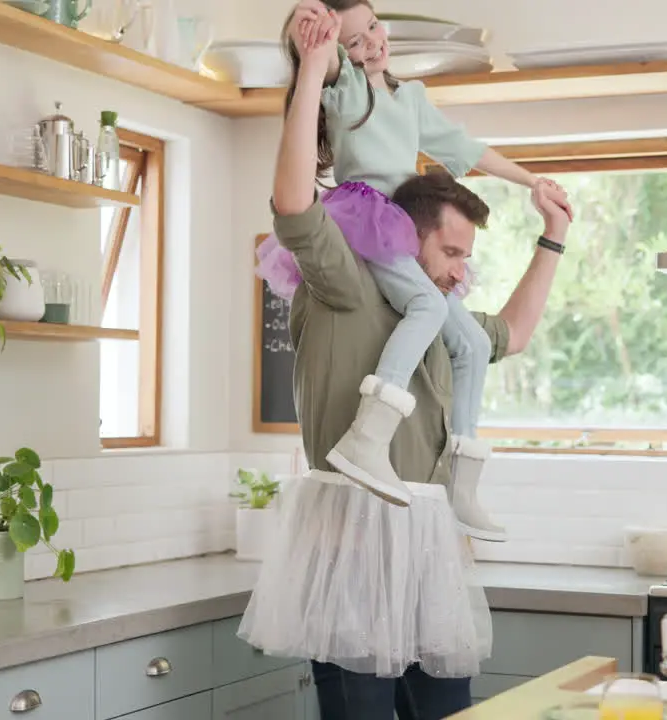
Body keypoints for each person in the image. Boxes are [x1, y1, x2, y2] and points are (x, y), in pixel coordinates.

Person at [236, 6, 572, 717]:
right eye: (450, 254)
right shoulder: (343, 281)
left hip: (427, 552)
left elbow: (510, 332)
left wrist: (554, 237)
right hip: (351, 554)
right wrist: (312, 74)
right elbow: (296, 204)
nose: (459, 273)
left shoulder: (441, 317)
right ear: (403, 236)